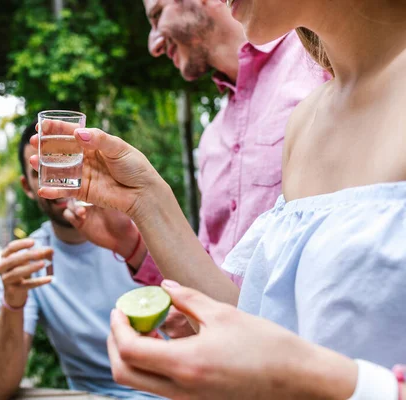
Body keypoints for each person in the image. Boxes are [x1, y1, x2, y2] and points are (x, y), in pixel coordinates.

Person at [30, 0, 406, 395]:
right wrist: (144, 199)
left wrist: (305, 379)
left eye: (157, 14)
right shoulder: (306, 122)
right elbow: (258, 325)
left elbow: (282, 365)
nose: (153, 44)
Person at [66, 0, 328, 306]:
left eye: (156, 15)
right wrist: (131, 244)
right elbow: (208, 272)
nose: (153, 46)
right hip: (226, 346)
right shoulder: (213, 140)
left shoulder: (319, 61)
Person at [0, 122, 161, 400]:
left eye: (67, 163)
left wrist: (131, 244)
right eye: (43, 171)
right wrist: (12, 302)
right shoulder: (28, 261)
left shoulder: (140, 228)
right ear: (27, 187)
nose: (59, 179)